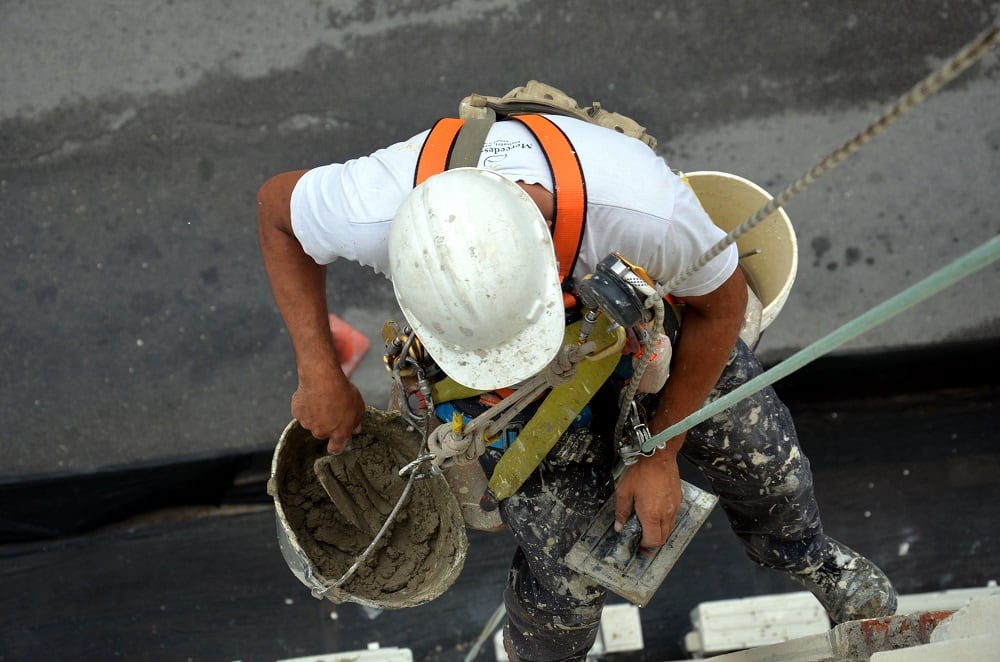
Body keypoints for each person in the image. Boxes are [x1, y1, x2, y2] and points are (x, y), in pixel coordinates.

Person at [257, 107, 897, 661]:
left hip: (650, 332)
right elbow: (276, 213)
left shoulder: (640, 213)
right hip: (496, 401)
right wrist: (318, 368)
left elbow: (721, 308)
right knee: (565, 571)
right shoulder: (374, 207)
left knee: (766, 462)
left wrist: (661, 448)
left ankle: (809, 557)